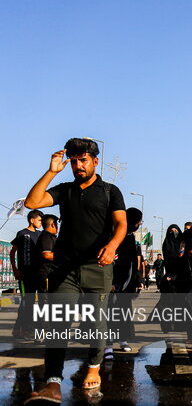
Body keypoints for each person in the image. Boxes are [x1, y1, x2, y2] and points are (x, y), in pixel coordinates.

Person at [24, 138, 127, 403]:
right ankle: (53, 384)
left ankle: (93, 367)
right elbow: (31, 202)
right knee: (57, 323)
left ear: (95, 161)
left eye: (84, 160)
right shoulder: (65, 189)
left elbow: (121, 224)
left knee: (96, 323)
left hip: (97, 266)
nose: (79, 165)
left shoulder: (110, 191)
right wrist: (52, 171)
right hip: (64, 268)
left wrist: (112, 246)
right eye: (74, 160)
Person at [106, 207, 143, 358]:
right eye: (139, 222)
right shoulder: (114, 236)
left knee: (124, 313)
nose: (139, 224)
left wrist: (137, 279)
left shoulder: (130, 237)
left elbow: (133, 262)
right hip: (113, 284)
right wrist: (111, 282)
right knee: (110, 313)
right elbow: (112, 261)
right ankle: (107, 345)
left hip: (127, 285)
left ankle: (123, 340)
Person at [10, 209, 43, 339]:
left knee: (37, 304)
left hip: (38, 274)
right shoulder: (22, 234)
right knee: (26, 303)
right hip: (25, 275)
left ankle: (18, 330)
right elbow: (13, 252)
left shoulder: (41, 235)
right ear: (32, 220)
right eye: (39, 220)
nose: (41, 222)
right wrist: (15, 270)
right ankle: (23, 330)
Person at [35, 214, 59, 293]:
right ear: (52, 225)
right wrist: (64, 256)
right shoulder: (46, 236)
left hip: (51, 273)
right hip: (46, 274)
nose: (57, 227)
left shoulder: (51, 237)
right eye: (56, 224)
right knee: (46, 299)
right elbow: (46, 254)